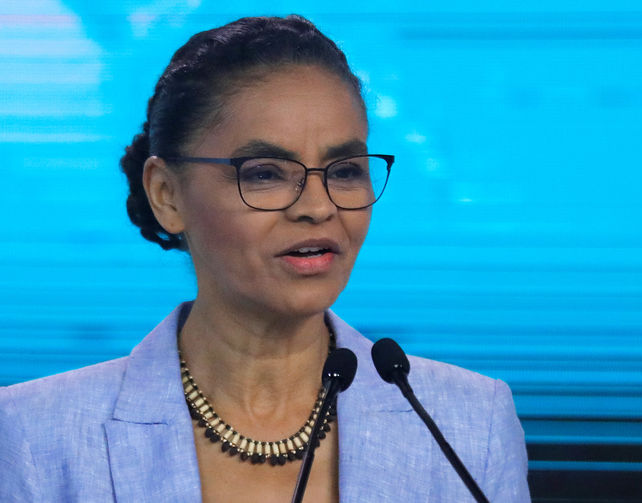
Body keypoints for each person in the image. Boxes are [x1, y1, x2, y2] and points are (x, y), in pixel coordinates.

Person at [0, 15, 529, 502]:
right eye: (265, 173)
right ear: (167, 194)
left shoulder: (468, 425)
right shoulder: (35, 435)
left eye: (345, 170)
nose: (319, 208)